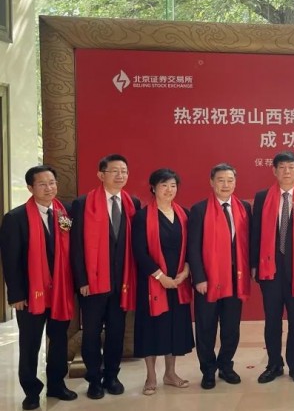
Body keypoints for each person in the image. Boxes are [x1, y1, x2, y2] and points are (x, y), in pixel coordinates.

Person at [0, 166, 77, 410]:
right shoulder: (15, 218)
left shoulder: (65, 213)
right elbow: (10, 261)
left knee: (59, 340)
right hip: (30, 294)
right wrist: (16, 294)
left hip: (60, 291)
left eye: (52, 182)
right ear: (30, 188)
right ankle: (31, 391)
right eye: (42, 184)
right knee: (30, 343)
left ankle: (57, 384)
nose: (49, 188)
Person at [71, 154, 140, 399]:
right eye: (114, 171)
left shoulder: (133, 203)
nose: (120, 175)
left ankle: (112, 375)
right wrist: (82, 280)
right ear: (101, 174)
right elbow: (76, 245)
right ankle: (94, 379)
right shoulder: (83, 203)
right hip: (92, 283)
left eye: (124, 171)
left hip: (122, 282)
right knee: (91, 333)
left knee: (116, 332)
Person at [250, 151, 294, 385]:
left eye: (291, 167)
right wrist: (253, 264)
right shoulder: (262, 197)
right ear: (274, 171)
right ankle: (274, 365)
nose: (287, 171)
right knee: (272, 320)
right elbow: (255, 233)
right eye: (282, 167)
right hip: (270, 269)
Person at [188, 163, 252, 390]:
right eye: (221, 180)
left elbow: (248, 243)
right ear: (211, 182)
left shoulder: (244, 208)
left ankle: (226, 366)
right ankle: (208, 370)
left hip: (236, 277)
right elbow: (193, 247)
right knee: (206, 326)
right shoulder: (199, 210)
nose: (226, 185)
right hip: (209, 278)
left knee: (231, 327)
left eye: (230, 180)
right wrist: (199, 277)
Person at [131, 168, 194, 396]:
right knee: (151, 329)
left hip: (177, 282)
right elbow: (139, 252)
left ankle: (170, 373)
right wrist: (160, 277)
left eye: (173, 185)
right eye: (164, 185)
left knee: (174, 328)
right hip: (152, 282)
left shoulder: (184, 214)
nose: (169, 190)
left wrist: (186, 271)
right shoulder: (142, 217)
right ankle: (151, 376)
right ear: (153, 188)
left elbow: (191, 247)